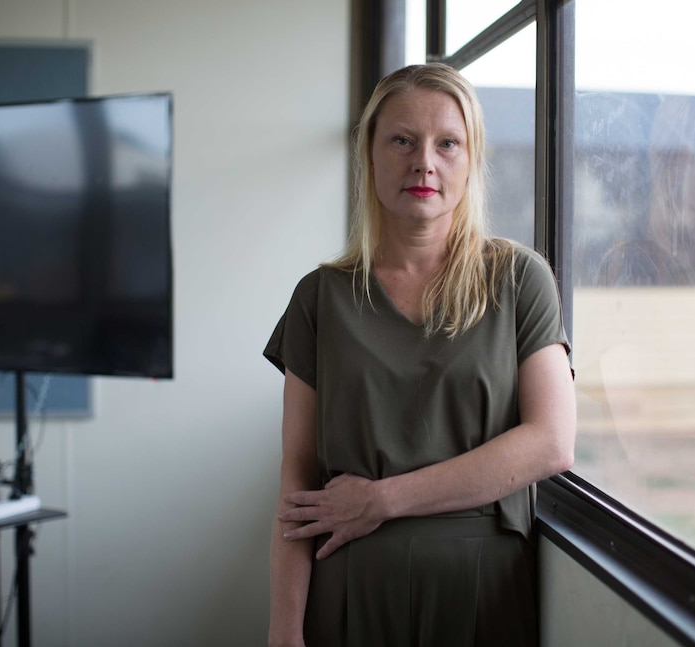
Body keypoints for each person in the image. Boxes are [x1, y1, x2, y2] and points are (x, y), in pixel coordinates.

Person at [264, 62, 576, 647]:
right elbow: (297, 478)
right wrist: (284, 631)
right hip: (350, 589)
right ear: (371, 156)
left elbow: (551, 442)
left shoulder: (518, 279)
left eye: (447, 143)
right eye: (402, 140)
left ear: (470, 158)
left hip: (484, 588)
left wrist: (382, 500)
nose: (423, 161)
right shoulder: (319, 298)